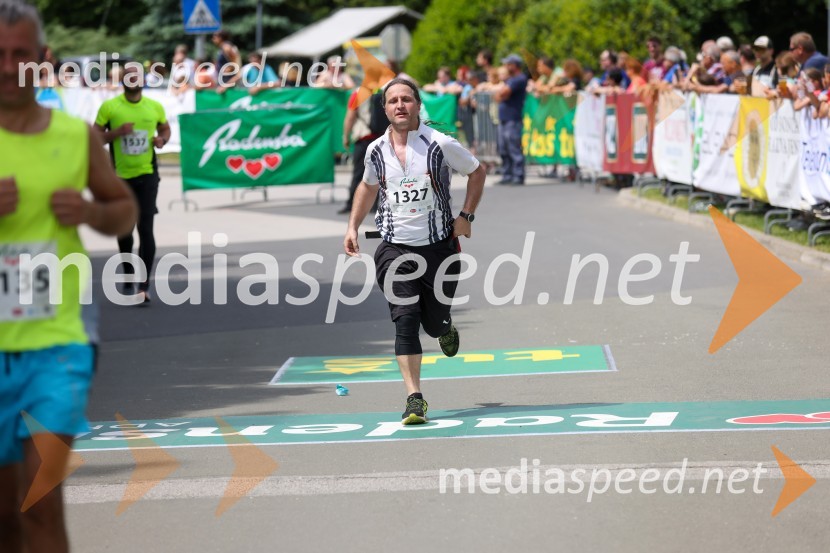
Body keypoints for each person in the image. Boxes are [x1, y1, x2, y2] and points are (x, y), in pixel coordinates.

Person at [0, 2, 137, 552]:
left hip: (58, 345)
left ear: (40, 61)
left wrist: (91, 214)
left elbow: (122, 209)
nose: (9, 66)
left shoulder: (75, 136)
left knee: (39, 506)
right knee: (5, 519)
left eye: (20, 54)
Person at [343, 78, 486, 425]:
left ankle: (445, 326)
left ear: (418, 105)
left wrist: (465, 216)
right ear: (385, 109)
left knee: (434, 324)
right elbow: (367, 185)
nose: (400, 106)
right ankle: (414, 398)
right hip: (394, 250)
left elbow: (477, 171)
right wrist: (352, 225)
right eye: (393, 101)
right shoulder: (376, 150)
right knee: (405, 322)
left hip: (440, 248)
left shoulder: (440, 144)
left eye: (407, 99)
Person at [94, 64, 170, 304]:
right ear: (123, 81)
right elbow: (95, 137)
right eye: (129, 76)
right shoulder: (111, 107)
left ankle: (144, 283)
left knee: (145, 228)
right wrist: (115, 133)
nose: (133, 79)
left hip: (147, 174)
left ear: (143, 80)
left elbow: (165, 128)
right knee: (125, 230)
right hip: (120, 178)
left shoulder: (154, 107)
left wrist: (162, 140)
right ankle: (128, 271)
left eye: (137, 76)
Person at [495, 54, 527, 185]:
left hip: (513, 119)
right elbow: (499, 96)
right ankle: (507, 174)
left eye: (508, 64)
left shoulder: (519, 79)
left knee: (513, 147)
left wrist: (501, 94)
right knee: (503, 148)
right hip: (504, 119)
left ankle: (518, 175)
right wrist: (500, 94)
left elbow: (502, 93)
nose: (506, 67)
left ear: (515, 65)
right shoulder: (510, 80)